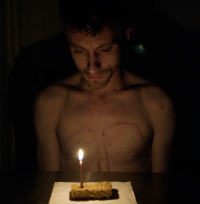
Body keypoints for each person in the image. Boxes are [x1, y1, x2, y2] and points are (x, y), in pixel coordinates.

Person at [34, 0, 175, 173]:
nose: (92, 66)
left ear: (125, 36)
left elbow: (161, 191)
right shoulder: (51, 104)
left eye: (105, 49)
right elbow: (48, 188)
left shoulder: (155, 103)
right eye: (79, 51)